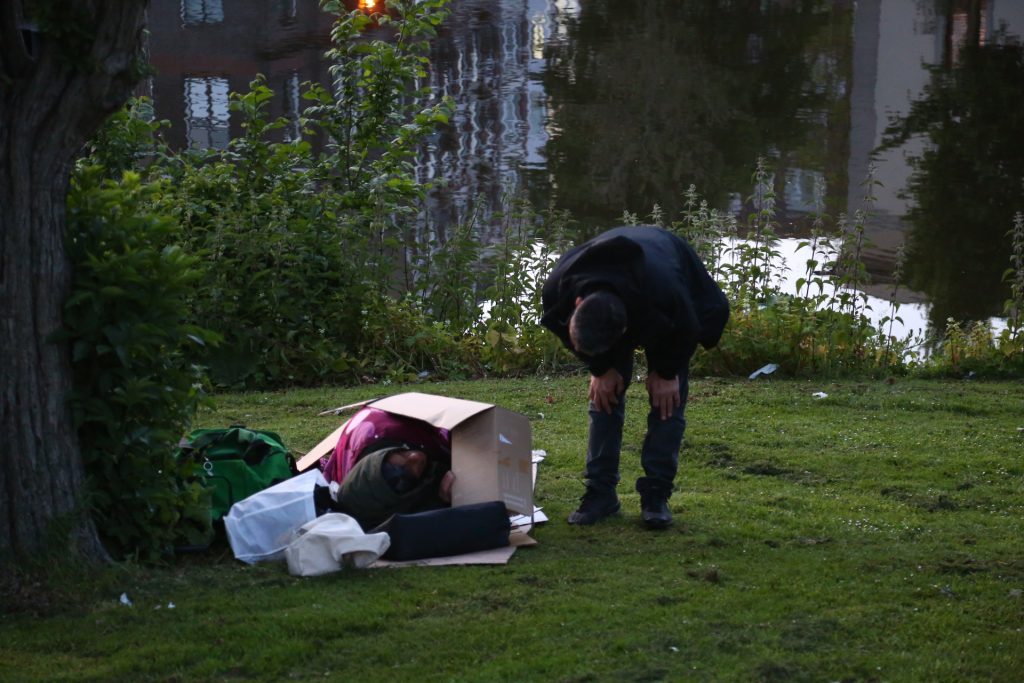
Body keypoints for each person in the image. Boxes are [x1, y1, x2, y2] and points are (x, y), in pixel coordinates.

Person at [541, 225, 729, 529]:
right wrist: (600, 368)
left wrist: (666, 372)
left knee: (667, 400)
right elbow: (565, 331)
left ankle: (656, 495)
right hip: (619, 293)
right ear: (577, 305)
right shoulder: (558, 288)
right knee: (604, 395)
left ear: (627, 330)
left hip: (668, 295)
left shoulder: (666, 293)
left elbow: (696, 323)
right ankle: (600, 494)